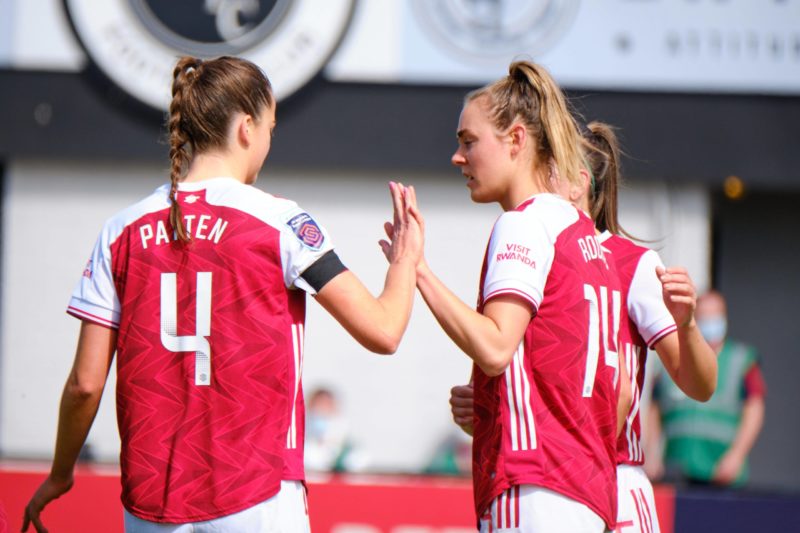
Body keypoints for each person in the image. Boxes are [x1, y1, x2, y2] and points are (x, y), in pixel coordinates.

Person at [22, 55, 422, 533]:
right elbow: (383, 331)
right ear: (248, 127)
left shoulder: (121, 230)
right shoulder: (282, 221)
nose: (271, 141)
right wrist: (404, 259)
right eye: (272, 127)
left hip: (151, 505)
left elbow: (85, 384)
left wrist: (61, 473)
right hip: (258, 495)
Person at [450, 121, 718, 533]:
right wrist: (488, 407)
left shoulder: (631, 262)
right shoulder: (533, 243)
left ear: (578, 182)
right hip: (562, 477)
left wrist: (688, 326)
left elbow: (699, 385)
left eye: (546, 166)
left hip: (612, 473)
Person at [394, 61, 624, 532]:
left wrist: (417, 268)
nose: (457, 156)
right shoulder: (586, 238)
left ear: (517, 139)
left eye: (468, 140)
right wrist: (496, 406)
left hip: (535, 485)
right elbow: (611, 394)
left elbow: (497, 347)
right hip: (587, 491)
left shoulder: (525, 223)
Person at [646, 290, 765, 488]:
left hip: (722, 471)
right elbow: (655, 407)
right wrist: (651, 452)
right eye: (705, 317)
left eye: (715, 316)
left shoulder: (741, 360)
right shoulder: (671, 358)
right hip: (677, 468)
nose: (710, 323)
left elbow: (754, 409)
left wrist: (736, 456)